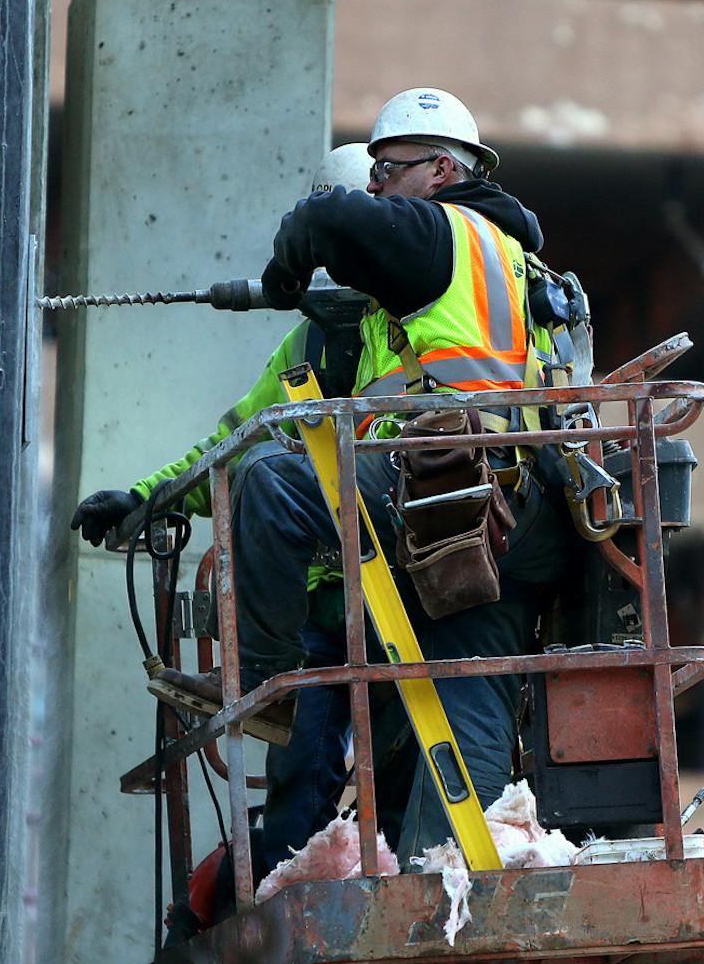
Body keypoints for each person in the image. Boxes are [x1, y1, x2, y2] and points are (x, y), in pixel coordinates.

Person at [73, 89, 572, 881]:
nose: (377, 189)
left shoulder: (446, 232)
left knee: (273, 482)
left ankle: (270, 682)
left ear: (443, 169)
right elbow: (246, 428)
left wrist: (283, 273)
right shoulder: (514, 267)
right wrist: (151, 500)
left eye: (388, 172)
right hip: (511, 529)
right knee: (461, 715)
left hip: (454, 491)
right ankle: (446, 891)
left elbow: (328, 221)